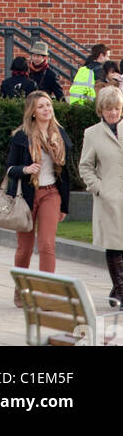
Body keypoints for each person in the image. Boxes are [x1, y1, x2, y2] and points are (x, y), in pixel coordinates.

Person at [6, 90, 72, 297]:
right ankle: (21, 289)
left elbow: (66, 174)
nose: (47, 109)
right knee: (24, 248)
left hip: (51, 193)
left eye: (49, 105)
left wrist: (64, 206)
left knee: (47, 245)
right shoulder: (21, 136)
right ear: (32, 112)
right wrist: (25, 169)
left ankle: (47, 293)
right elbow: (9, 168)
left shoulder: (60, 136)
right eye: (41, 106)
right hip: (26, 195)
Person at [79, 85, 123, 304]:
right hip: (109, 198)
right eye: (108, 109)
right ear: (101, 110)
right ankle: (121, 291)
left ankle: (117, 291)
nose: (113, 113)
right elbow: (85, 167)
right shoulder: (92, 134)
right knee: (115, 245)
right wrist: (99, 188)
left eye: (116, 109)